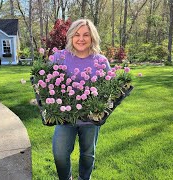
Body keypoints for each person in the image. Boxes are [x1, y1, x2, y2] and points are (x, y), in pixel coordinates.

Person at [51, 19, 111, 180]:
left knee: (87, 154)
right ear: (71, 36)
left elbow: (110, 90)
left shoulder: (101, 61)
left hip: (90, 120)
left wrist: (101, 106)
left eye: (86, 34)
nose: (81, 39)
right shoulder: (59, 57)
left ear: (92, 37)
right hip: (65, 118)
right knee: (60, 153)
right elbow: (46, 83)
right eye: (77, 34)